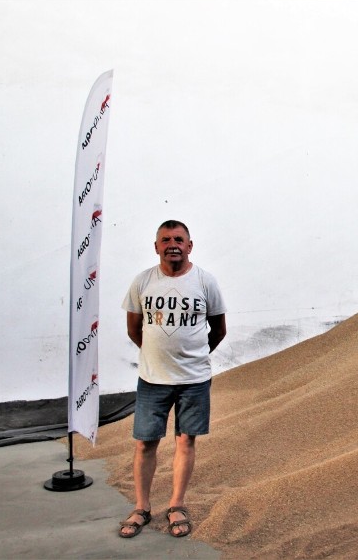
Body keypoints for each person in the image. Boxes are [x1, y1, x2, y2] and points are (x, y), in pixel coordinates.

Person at [118, 220, 227, 538]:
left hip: (194, 380)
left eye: (179, 239)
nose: (172, 244)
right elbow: (133, 329)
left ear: (190, 245)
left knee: (185, 440)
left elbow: (218, 330)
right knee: (145, 443)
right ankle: (142, 507)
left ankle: (176, 505)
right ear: (156, 247)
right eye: (165, 239)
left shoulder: (205, 281)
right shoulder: (142, 282)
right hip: (152, 380)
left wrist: (194, 356)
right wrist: (154, 355)